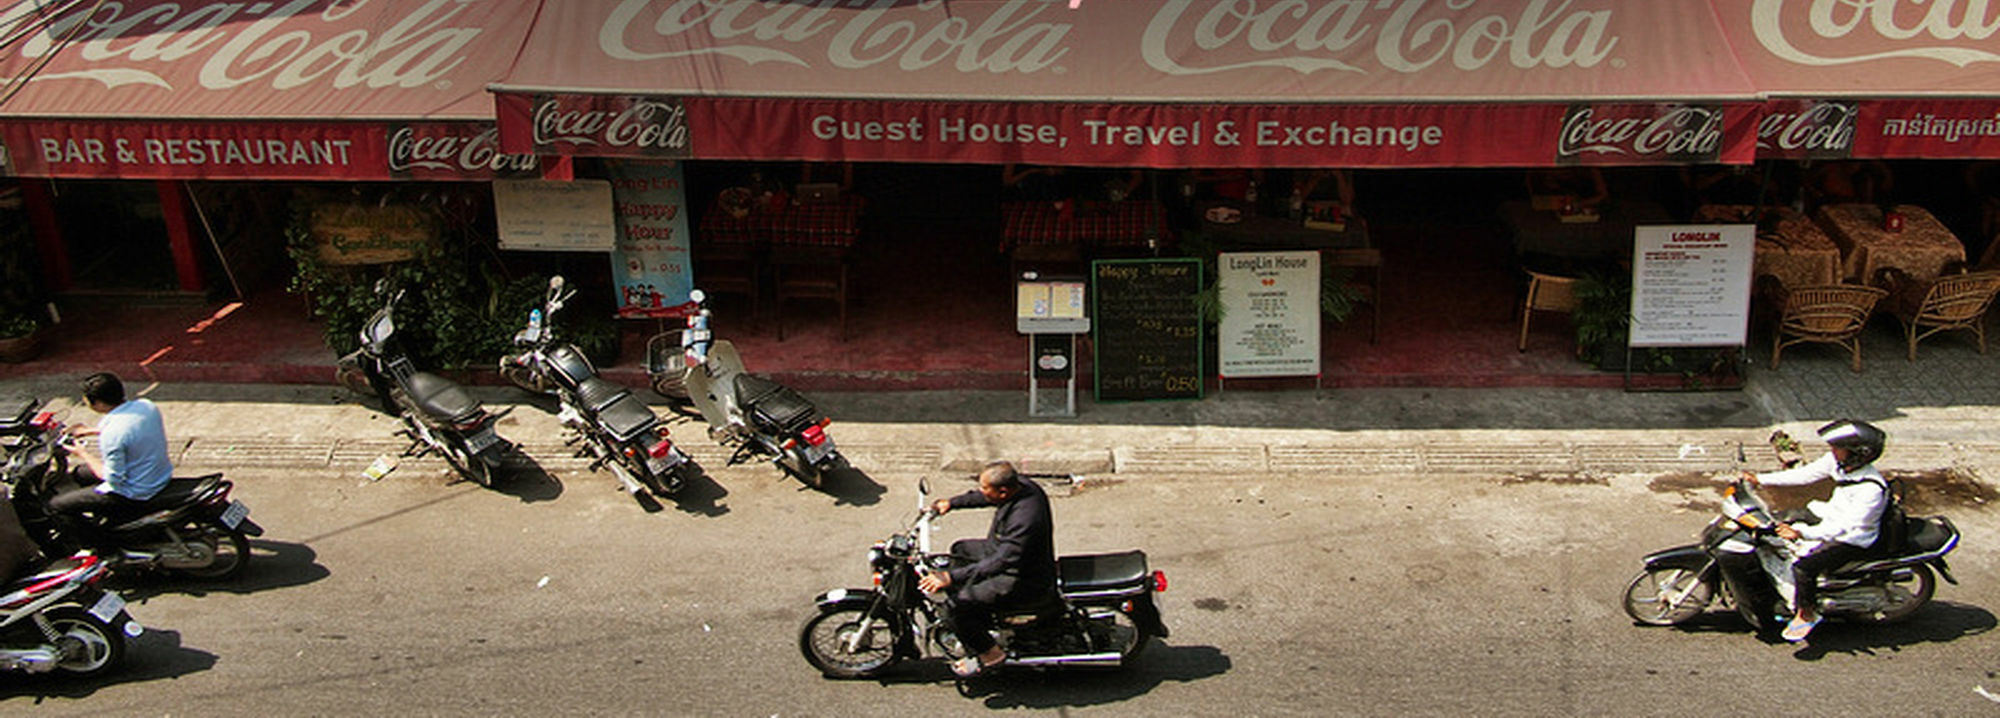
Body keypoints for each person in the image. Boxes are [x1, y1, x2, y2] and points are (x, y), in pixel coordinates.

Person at [1739, 419, 1891, 642]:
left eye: (1838, 448)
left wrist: (1802, 533)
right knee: (1779, 520)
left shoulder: (1871, 489)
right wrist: (1761, 479)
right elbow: (1805, 474)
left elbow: (1845, 527)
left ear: (1858, 453)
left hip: (1852, 539)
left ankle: (1806, 613)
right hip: (1829, 515)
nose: (1833, 451)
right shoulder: (1839, 463)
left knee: (1804, 568)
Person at [916, 460, 1056, 677]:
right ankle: (979, 620)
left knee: (956, 606)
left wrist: (950, 577)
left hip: (1020, 577)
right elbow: (984, 496)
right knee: (960, 549)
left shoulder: (1025, 518)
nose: (981, 492)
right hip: (1003, 554)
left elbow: (1000, 562)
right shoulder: (1019, 485)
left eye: (985, 488)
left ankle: (990, 654)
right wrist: (952, 503)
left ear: (1003, 491)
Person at [49, 372, 173, 543]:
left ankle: (103, 545)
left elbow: (112, 478)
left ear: (98, 403)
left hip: (136, 492)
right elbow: (131, 429)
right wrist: (91, 430)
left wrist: (82, 453)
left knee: (56, 506)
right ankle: (114, 519)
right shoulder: (146, 406)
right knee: (80, 473)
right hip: (159, 474)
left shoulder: (113, 435)